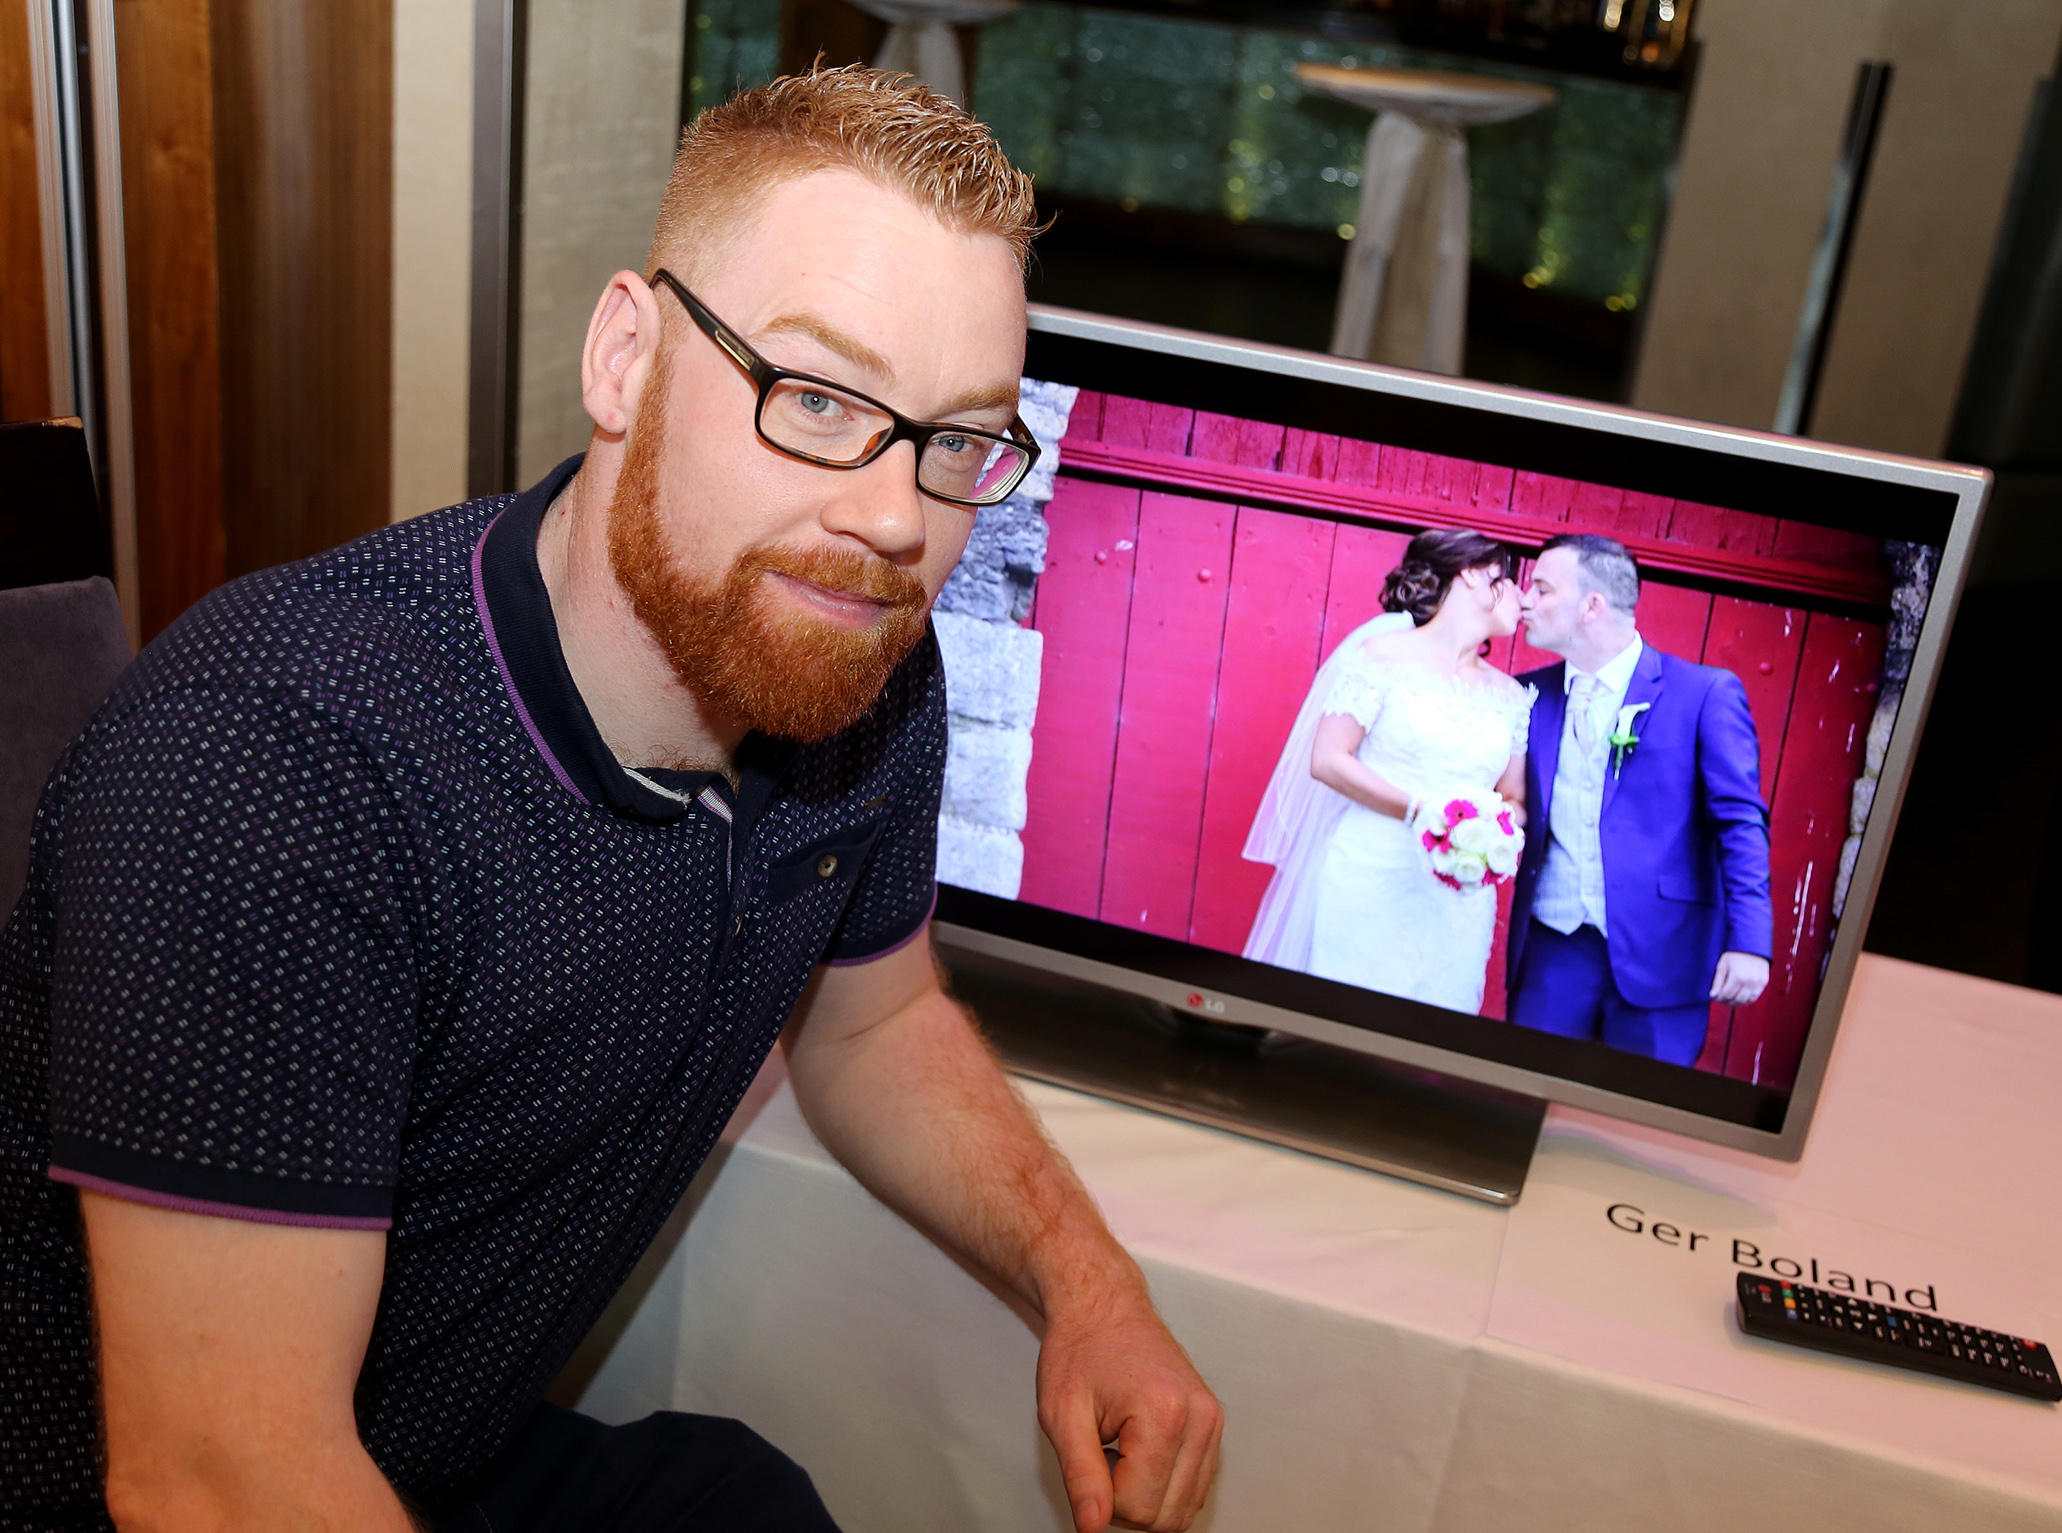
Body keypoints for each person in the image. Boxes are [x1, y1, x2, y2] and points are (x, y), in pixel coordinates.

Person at [0, 69, 1220, 1533]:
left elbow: (875, 1026)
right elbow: (216, 1480)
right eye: (815, 398)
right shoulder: (276, 765)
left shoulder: (858, 666)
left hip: (430, 1456)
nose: (896, 518)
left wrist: (1092, 1287)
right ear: (626, 359)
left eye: (955, 440)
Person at [1505, 533, 1773, 1065]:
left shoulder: (1703, 693)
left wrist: (1750, 941)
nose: (1524, 601)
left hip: (1667, 952)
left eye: (1542, 588)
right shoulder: (1526, 695)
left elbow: (1740, 822)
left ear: (1592, 606)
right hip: (1552, 948)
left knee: (1640, 1108)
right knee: (1523, 1092)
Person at [1242, 529, 1532, 1013]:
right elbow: (1328, 759)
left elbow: (1515, 800)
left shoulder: (1511, 697)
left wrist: (1490, 829)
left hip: (1456, 896)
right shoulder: (1380, 657)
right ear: (1473, 575)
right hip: (1370, 872)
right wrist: (1423, 811)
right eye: (1512, 580)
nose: (1523, 598)